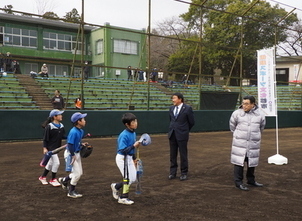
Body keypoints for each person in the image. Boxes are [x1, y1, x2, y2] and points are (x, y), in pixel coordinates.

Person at [229, 95, 266, 191]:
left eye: (247, 104)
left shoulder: (260, 114)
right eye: (243, 103)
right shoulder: (236, 113)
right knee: (239, 162)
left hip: (253, 143)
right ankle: (238, 182)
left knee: (251, 162)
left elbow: (261, 127)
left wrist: (254, 136)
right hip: (240, 143)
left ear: (253, 104)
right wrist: (239, 136)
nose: (244, 106)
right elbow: (232, 127)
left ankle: (251, 180)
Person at [110, 113, 140, 205]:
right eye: (133, 122)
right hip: (122, 158)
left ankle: (116, 186)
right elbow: (122, 150)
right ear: (127, 124)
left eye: (135, 121)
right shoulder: (124, 135)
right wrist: (133, 146)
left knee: (133, 178)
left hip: (129, 158)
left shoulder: (133, 132)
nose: (135, 123)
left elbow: (131, 149)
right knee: (127, 178)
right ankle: (123, 198)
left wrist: (134, 158)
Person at [58, 112, 88, 198]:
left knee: (79, 173)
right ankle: (71, 191)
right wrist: (72, 155)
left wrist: (82, 144)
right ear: (78, 121)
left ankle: (64, 180)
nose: (85, 121)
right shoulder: (73, 132)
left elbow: (76, 142)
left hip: (76, 153)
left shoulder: (80, 131)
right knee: (77, 174)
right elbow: (70, 144)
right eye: (83, 119)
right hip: (71, 154)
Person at [168, 92, 195, 181]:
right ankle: (173, 172)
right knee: (173, 155)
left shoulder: (187, 109)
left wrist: (184, 130)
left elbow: (191, 122)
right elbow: (171, 120)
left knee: (183, 154)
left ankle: (184, 173)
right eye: (172, 98)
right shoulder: (171, 108)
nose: (173, 100)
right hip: (172, 134)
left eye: (174, 98)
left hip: (182, 135)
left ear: (180, 99)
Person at [39, 109, 66, 187]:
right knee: (57, 163)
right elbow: (45, 138)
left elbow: (63, 136)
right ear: (55, 117)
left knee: (50, 163)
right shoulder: (49, 126)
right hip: (50, 149)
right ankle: (53, 179)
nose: (61, 116)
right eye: (59, 115)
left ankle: (43, 177)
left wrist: (70, 138)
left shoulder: (61, 126)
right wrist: (44, 148)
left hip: (56, 148)